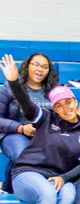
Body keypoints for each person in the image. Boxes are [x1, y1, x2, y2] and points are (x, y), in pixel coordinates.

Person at [1, 54, 80, 204]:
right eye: (59, 105)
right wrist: (13, 82)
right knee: (48, 194)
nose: (65, 107)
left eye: (69, 101)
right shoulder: (46, 118)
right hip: (28, 172)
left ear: (75, 101)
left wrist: (64, 178)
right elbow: (28, 107)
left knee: (68, 196)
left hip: (59, 176)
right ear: (53, 108)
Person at [0, 53, 57, 193]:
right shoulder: (10, 87)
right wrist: (21, 128)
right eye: (36, 64)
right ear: (27, 66)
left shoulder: (53, 90)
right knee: (21, 154)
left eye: (45, 67)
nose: (40, 69)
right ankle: (9, 188)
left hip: (44, 135)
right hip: (14, 133)